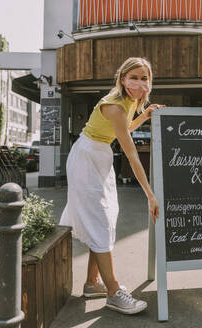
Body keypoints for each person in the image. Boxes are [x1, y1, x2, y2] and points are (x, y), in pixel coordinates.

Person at [60, 57, 163, 314]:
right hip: (87, 158)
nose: (139, 83)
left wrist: (146, 114)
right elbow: (131, 154)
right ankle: (114, 292)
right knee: (100, 220)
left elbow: (124, 129)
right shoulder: (114, 105)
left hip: (99, 155)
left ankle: (92, 283)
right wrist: (150, 195)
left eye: (144, 78)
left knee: (106, 217)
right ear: (123, 79)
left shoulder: (129, 103)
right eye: (134, 77)